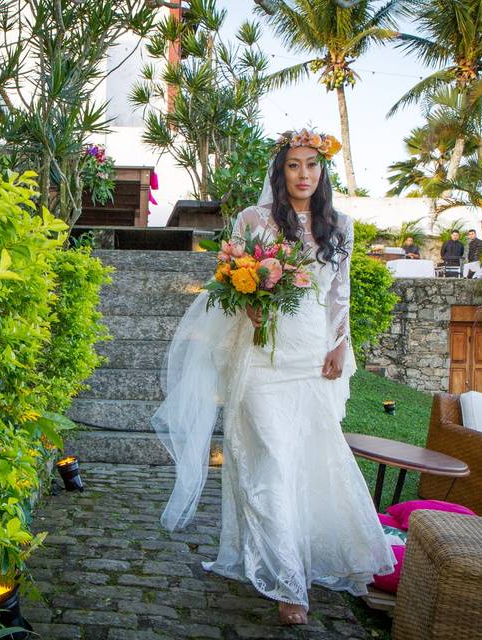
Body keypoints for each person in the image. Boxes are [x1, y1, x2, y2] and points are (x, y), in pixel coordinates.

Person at [152, 128, 395, 627]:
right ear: (280, 170)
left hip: (311, 354)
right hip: (263, 356)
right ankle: (289, 583)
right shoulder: (253, 220)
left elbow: (338, 293)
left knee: (311, 456)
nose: (303, 175)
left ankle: (315, 552)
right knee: (273, 459)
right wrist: (250, 305)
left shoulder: (341, 226)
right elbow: (228, 281)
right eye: (293, 165)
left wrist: (340, 342)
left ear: (322, 170)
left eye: (312, 165)